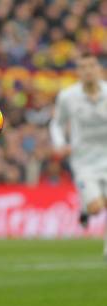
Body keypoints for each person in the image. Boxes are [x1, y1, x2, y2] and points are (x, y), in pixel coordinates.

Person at [50, 51, 107, 259]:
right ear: (78, 72)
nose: (88, 71)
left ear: (99, 70)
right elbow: (56, 124)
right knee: (97, 207)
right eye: (83, 67)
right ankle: (85, 209)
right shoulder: (68, 97)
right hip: (83, 162)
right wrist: (60, 144)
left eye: (91, 66)